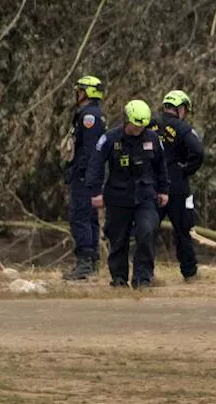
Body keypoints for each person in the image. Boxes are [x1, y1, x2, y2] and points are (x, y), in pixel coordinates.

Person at [84, 100, 169, 289]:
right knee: (118, 238)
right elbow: (96, 165)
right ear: (127, 120)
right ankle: (119, 278)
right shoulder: (110, 139)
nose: (139, 129)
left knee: (146, 232)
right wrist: (95, 192)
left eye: (142, 126)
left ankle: (143, 278)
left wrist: (164, 190)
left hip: (145, 196)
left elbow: (161, 166)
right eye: (136, 125)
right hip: (118, 196)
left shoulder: (153, 139)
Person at [148, 90, 206, 282]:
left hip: (152, 184)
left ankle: (145, 273)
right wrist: (187, 169)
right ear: (181, 109)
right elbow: (198, 151)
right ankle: (189, 273)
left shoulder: (150, 123)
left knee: (148, 229)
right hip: (177, 185)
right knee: (183, 229)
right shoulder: (183, 128)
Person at [63, 75, 107, 281]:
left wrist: (82, 173)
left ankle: (85, 263)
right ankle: (92, 261)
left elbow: (90, 150)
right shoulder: (90, 114)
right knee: (88, 217)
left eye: (79, 90)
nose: (77, 94)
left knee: (79, 216)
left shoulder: (89, 117)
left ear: (87, 92)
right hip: (87, 175)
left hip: (85, 176)